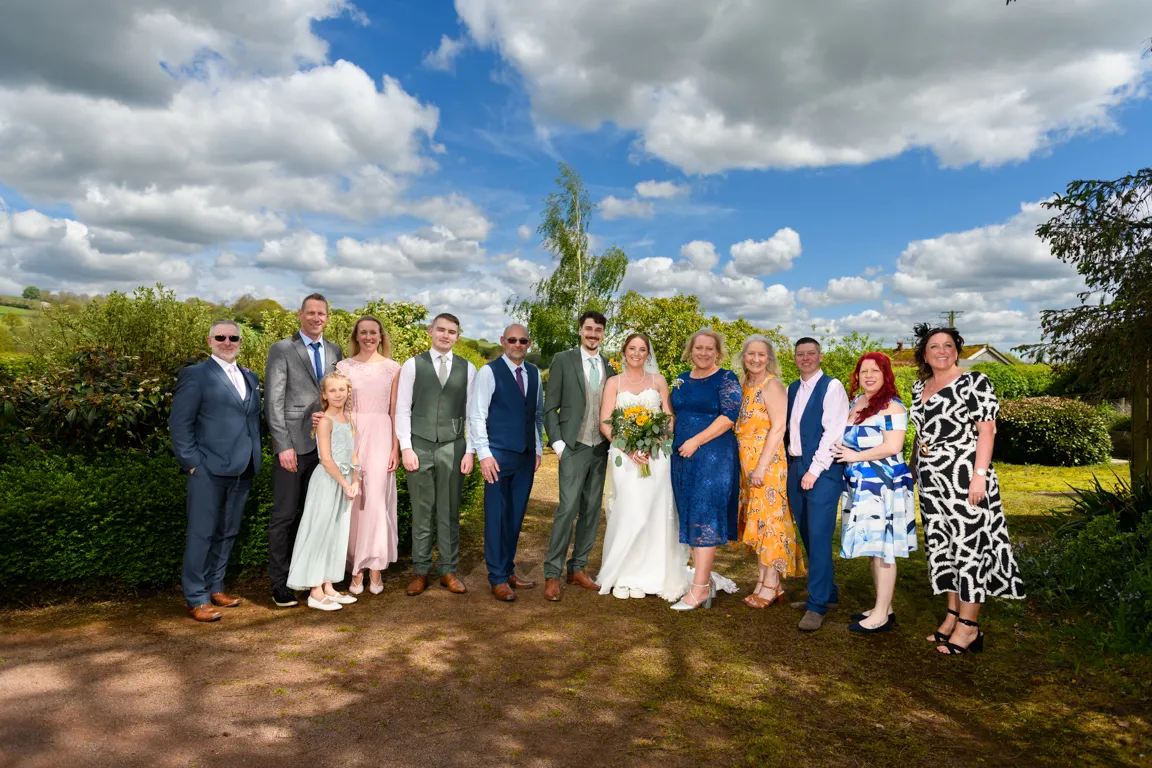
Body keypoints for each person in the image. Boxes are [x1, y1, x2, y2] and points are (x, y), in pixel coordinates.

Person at [910, 325, 1025, 654]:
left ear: (957, 350)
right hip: (932, 482)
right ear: (925, 354)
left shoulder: (975, 382)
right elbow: (921, 434)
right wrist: (913, 467)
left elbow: (987, 430)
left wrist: (979, 475)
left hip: (964, 478)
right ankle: (951, 616)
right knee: (943, 549)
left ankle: (970, 627)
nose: (942, 351)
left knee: (969, 549)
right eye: (934, 346)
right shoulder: (920, 387)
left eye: (948, 345)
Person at [169, 320, 263, 622]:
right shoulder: (195, 375)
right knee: (202, 533)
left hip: (243, 466)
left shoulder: (250, 377)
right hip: (208, 468)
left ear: (239, 341)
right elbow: (180, 424)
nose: (227, 341)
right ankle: (195, 597)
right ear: (209, 341)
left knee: (228, 530)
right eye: (220, 337)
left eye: (233, 337)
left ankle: (215, 586)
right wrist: (193, 462)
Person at [596, 333, 690, 601]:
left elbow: (669, 416)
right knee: (630, 510)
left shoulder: (657, 381)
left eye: (642, 349)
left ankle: (651, 574)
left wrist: (655, 442)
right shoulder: (614, 382)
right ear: (624, 352)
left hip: (657, 456)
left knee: (654, 512)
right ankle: (624, 574)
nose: (636, 353)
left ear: (648, 353)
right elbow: (605, 421)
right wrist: (629, 449)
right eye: (632, 348)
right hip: (625, 459)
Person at [265, 294, 344, 608]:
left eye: (321, 313)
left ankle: (311, 579)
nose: (316, 318)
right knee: (284, 515)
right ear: (300, 315)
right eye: (310, 313)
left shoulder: (335, 350)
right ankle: (280, 583)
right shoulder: (282, 349)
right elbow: (273, 401)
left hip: (325, 447)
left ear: (327, 316)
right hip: (294, 447)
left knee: (317, 516)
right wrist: (283, 445)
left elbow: (336, 396)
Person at [831, 352, 916, 633]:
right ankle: (884, 606)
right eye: (863, 371)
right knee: (872, 548)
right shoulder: (857, 401)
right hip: (861, 487)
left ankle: (880, 615)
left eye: (875, 371)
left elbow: (893, 446)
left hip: (884, 485)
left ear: (885, 375)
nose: (868, 376)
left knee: (884, 550)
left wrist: (855, 456)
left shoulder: (893, 407)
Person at [394, 312, 477, 597]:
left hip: (453, 446)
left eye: (451, 332)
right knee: (422, 511)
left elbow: (472, 414)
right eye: (441, 330)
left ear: (457, 335)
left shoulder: (469, 368)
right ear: (430, 331)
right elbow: (402, 408)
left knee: (449, 510)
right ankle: (420, 571)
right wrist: (406, 446)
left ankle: (448, 570)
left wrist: (471, 450)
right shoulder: (412, 365)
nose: (445, 335)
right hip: (419, 444)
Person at [541, 311, 616, 602]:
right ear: (580, 331)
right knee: (567, 508)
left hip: (601, 448)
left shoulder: (610, 366)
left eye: (598, 330)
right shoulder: (563, 359)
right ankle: (552, 572)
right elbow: (550, 407)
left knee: (591, 509)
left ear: (603, 334)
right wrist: (558, 444)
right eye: (588, 329)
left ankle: (578, 568)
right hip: (572, 446)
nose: (593, 334)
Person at [468, 324, 544, 602]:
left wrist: (537, 449)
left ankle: (509, 569)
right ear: (503, 342)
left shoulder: (534, 374)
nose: (517, 344)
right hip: (497, 455)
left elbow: (536, 416)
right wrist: (484, 454)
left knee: (515, 516)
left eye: (523, 340)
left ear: (528, 343)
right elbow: (476, 415)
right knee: (497, 516)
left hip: (525, 456)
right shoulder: (488, 372)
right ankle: (497, 577)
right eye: (512, 340)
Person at [669, 328, 742, 611]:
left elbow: (728, 417)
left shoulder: (726, 379)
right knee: (688, 513)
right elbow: (675, 414)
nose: (703, 353)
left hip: (712, 457)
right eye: (698, 348)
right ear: (690, 350)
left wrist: (696, 441)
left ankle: (699, 589)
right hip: (682, 457)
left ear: (718, 352)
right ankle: (704, 580)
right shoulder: (681, 380)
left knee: (704, 516)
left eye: (709, 349)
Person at [785, 337, 850, 632]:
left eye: (811, 353)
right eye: (801, 354)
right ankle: (828, 592)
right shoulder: (792, 388)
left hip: (822, 470)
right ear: (795, 358)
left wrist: (814, 470)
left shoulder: (832, 387)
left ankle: (816, 605)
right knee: (808, 534)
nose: (806, 358)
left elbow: (834, 432)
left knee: (821, 535)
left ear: (820, 356)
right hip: (796, 466)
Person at [735, 335, 803, 609]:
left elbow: (778, 428)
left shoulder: (772, 385)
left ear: (769, 358)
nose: (755, 359)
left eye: (761, 355)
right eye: (750, 354)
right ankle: (763, 581)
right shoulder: (744, 385)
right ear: (743, 356)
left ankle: (772, 584)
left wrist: (762, 466)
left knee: (771, 522)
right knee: (759, 522)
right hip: (746, 463)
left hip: (767, 463)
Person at [336, 316, 401, 595]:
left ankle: (375, 567)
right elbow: (336, 405)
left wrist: (396, 448)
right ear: (356, 336)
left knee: (376, 499)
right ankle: (355, 569)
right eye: (363, 332)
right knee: (354, 500)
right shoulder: (343, 367)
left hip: (381, 435)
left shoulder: (393, 369)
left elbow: (396, 410)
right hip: (352, 434)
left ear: (381, 336)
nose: (368, 337)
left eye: (373, 332)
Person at [287, 372, 361, 611]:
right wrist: (345, 483)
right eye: (332, 390)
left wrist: (356, 479)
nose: (338, 394)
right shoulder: (325, 421)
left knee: (335, 533)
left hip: (345, 481)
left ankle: (328, 585)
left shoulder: (349, 420)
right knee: (319, 531)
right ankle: (314, 591)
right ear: (324, 395)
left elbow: (353, 454)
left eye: (342, 389)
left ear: (348, 392)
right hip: (329, 481)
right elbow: (326, 460)